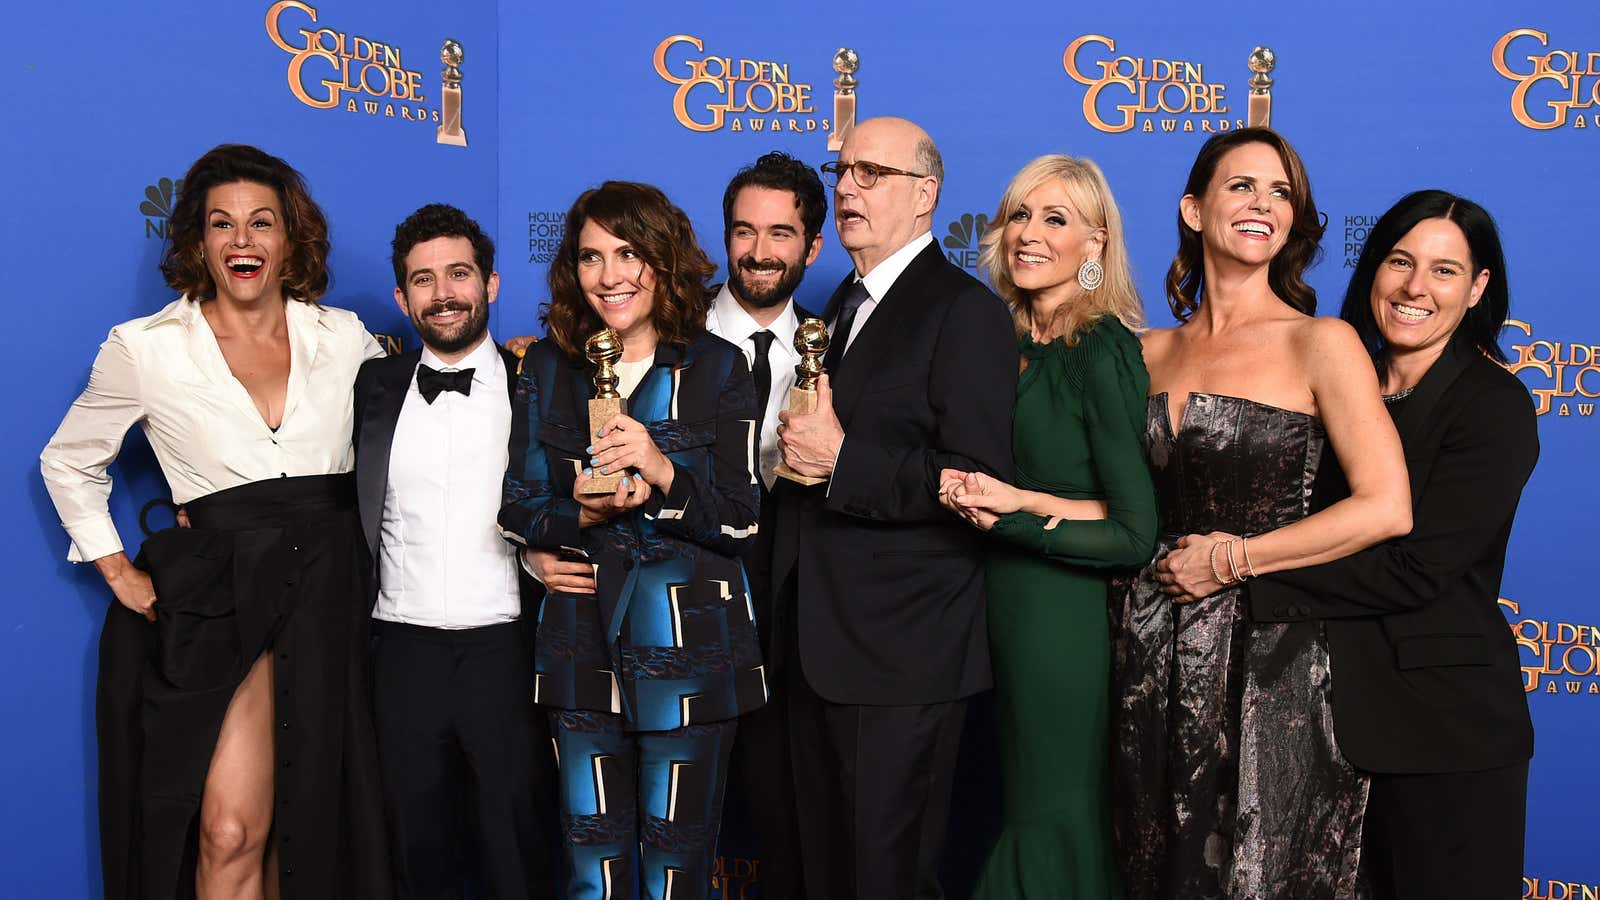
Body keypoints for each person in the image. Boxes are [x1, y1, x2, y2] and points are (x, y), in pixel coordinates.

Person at [40, 143, 391, 900]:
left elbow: (421, 423)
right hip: (220, 591)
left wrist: (513, 365)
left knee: (311, 821)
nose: (242, 240)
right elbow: (68, 460)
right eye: (222, 224)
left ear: (290, 238)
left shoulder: (346, 338)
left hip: (331, 585)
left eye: (261, 223)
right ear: (197, 242)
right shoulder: (145, 348)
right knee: (229, 830)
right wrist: (116, 568)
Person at [1114, 127, 1412, 899]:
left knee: (1258, 869)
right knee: (1149, 863)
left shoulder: (1323, 342)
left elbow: (1386, 507)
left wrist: (1233, 558)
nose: (1263, 205)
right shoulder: (1146, 352)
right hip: (1146, 650)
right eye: (1242, 186)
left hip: (1270, 658)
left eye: (1281, 192)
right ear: (1193, 207)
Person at [1244, 191, 1537, 900]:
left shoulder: (1492, 404)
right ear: (1372, 269)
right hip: (1312, 726)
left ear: (1478, 289)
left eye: (1444, 271)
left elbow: (1415, 569)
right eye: (1400, 262)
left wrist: (1246, 575)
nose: (1414, 287)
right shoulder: (1338, 383)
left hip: (1442, 733)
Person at [772, 116, 1018, 900]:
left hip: (902, 656)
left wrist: (844, 463)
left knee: (886, 879)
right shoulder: (842, 302)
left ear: (926, 195)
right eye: (843, 170)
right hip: (814, 645)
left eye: (872, 173)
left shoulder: (964, 311)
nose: (846, 187)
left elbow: (976, 480)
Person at [499, 181, 765, 900]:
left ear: (664, 258)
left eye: (628, 253)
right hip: (579, 655)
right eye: (591, 257)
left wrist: (661, 469)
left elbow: (742, 520)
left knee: (675, 878)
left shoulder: (717, 368)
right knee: (594, 878)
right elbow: (517, 505)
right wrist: (572, 523)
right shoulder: (549, 369)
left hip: (690, 665)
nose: (609, 275)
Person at [937, 154, 1158, 898]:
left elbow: (1133, 530)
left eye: (1055, 219)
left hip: (1054, 618)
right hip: (972, 605)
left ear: (1095, 244)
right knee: (977, 811)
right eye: (1019, 215)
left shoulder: (1102, 350)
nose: (1029, 234)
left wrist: (1015, 517)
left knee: (1050, 813)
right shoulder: (993, 338)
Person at [353, 203, 558, 899]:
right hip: (398, 654)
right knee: (413, 856)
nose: (443, 294)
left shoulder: (541, 387)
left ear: (492, 285)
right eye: (423, 280)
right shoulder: (370, 389)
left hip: (507, 653)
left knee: (516, 853)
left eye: (459, 274)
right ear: (401, 298)